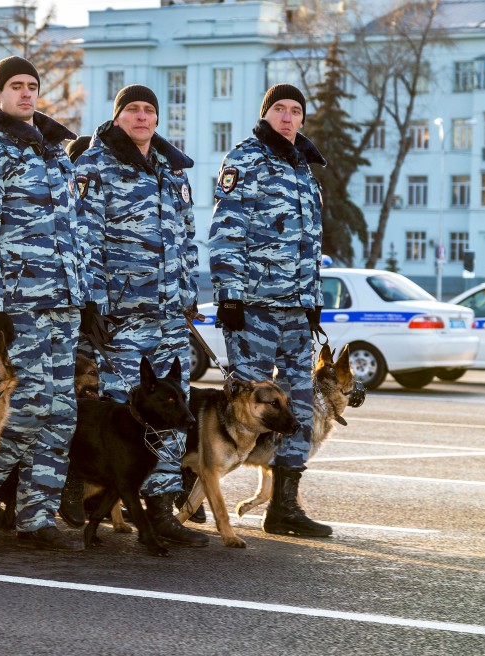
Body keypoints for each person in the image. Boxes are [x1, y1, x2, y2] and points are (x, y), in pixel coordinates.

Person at [0, 56, 89, 552]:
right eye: (15, 86)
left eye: (32, 86)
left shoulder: (56, 154)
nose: (26, 93)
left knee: (62, 415)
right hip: (20, 305)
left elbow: (73, 231)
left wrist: (86, 296)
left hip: (63, 300)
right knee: (28, 410)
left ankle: (36, 518)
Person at [70, 85, 206, 546]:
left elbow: (188, 236)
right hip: (121, 317)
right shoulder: (93, 166)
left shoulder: (172, 169)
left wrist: (188, 290)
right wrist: (91, 302)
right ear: (118, 117)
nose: (142, 117)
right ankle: (107, 505)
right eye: (133, 109)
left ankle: (162, 511)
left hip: (169, 315)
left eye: (149, 110)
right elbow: (82, 239)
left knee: (171, 412)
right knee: (124, 421)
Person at [208, 83, 332, 538]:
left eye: (295, 110)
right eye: (279, 108)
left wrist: (313, 300)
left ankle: (284, 507)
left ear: (302, 119)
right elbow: (225, 232)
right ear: (266, 114)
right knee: (242, 409)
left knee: (296, 406)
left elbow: (310, 247)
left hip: (297, 312)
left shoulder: (304, 172)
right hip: (255, 308)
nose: (287, 116)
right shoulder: (245, 161)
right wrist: (230, 295)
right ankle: (195, 490)